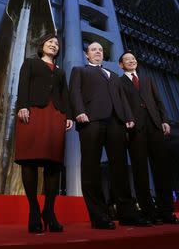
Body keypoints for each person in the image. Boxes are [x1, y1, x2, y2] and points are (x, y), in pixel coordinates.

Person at [69, 41, 148, 229]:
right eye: (93, 49)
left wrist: (128, 116)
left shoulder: (114, 75)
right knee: (91, 167)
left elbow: (122, 98)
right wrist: (79, 111)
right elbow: (74, 92)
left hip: (116, 122)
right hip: (91, 120)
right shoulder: (79, 70)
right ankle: (99, 216)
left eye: (100, 50)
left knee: (120, 167)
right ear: (87, 55)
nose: (97, 52)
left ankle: (127, 213)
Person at [14, 33, 73, 233]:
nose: (54, 45)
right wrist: (22, 105)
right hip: (33, 112)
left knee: (54, 164)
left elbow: (65, 94)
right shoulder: (30, 63)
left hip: (56, 116)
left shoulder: (61, 72)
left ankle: (49, 211)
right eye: (50, 42)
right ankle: (34, 210)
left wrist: (69, 115)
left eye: (56, 44)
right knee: (29, 159)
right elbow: (22, 85)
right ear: (42, 45)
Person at [118, 51, 179, 224]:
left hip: (155, 127)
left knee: (162, 170)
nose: (131, 61)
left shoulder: (147, 79)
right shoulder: (119, 81)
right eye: (127, 60)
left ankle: (167, 212)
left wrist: (165, 120)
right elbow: (121, 105)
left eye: (133, 59)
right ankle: (148, 213)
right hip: (135, 130)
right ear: (121, 65)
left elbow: (158, 101)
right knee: (140, 172)